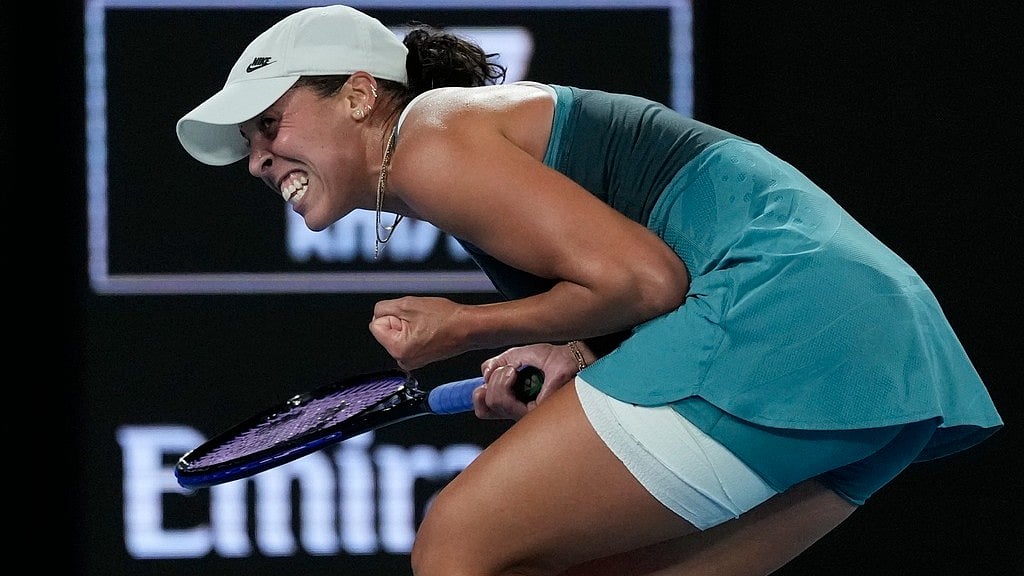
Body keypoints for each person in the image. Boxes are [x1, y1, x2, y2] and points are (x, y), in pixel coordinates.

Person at [175, 5, 1003, 575]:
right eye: (250, 145)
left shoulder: (426, 136)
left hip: (783, 312)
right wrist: (570, 349)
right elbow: (646, 283)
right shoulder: (465, 150)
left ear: (359, 94)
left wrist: (465, 327)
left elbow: (645, 279)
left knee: (456, 544)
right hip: (884, 352)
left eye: (270, 126)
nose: (257, 160)